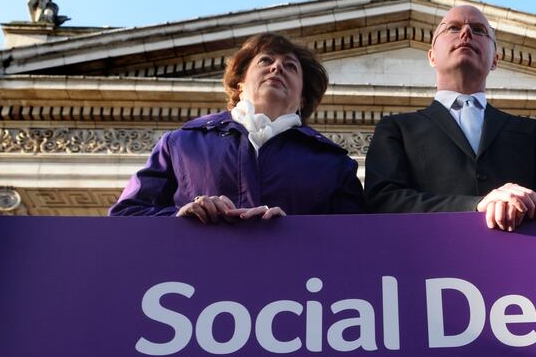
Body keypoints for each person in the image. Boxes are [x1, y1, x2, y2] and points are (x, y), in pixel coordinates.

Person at [364, 4, 536, 231]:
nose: (466, 33)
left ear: (495, 59)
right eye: (453, 28)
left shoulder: (533, 132)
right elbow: (382, 201)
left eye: (479, 30)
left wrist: (526, 205)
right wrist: (476, 205)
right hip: (430, 260)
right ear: (432, 55)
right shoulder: (396, 129)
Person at [110, 33, 364, 222]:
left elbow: (358, 239)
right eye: (265, 61)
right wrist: (180, 215)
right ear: (240, 84)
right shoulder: (182, 143)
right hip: (194, 284)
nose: (276, 68)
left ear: (303, 99)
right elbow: (125, 214)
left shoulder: (334, 163)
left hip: (295, 289)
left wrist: (292, 229)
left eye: (290, 67)